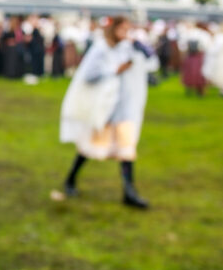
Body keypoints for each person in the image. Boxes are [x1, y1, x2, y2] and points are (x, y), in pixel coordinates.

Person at [57, 15, 156, 209]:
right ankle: (70, 179)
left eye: (127, 30)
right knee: (88, 149)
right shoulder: (101, 49)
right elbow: (89, 75)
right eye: (122, 29)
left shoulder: (126, 48)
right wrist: (115, 70)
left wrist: (142, 49)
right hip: (105, 109)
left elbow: (150, 63)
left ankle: (129, 191)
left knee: (126, 151)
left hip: (124, 109)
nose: (125, 34)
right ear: (113, 29)